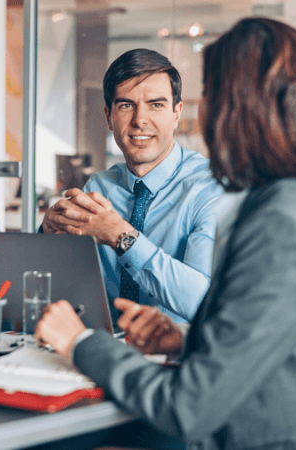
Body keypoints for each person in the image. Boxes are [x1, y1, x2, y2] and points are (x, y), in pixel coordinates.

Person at [36, 18, 296, 450]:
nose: (204, 112)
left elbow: (188, 407)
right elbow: (263, 339)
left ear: (241, 108)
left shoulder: (284, 221)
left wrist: (80, 342)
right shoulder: (281, 201)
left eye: (211, 96)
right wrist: (182, 340)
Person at [41, 49, 222, 323]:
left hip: (173, 353)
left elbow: (202, 302)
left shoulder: (210, 188)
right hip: (101, 344)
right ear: (108, 116)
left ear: (176, 113)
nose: (140, 120)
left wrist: (121, 235)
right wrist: (48, 234)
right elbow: (63, 284)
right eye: (126, 105)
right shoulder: (99, 186)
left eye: (156, 105)